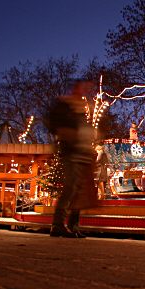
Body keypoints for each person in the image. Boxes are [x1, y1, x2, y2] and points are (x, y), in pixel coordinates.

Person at [45, 80, 98, 238]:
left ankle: (73, 225)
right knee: (70, 187)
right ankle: (58, 224)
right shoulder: (64, 105)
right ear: (76, 88)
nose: (86, 91)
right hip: (71, 151)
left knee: (80, 189)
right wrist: (63, 133)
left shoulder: (82, 109)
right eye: (84, 87)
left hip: (83, 151)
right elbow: (52, 122)